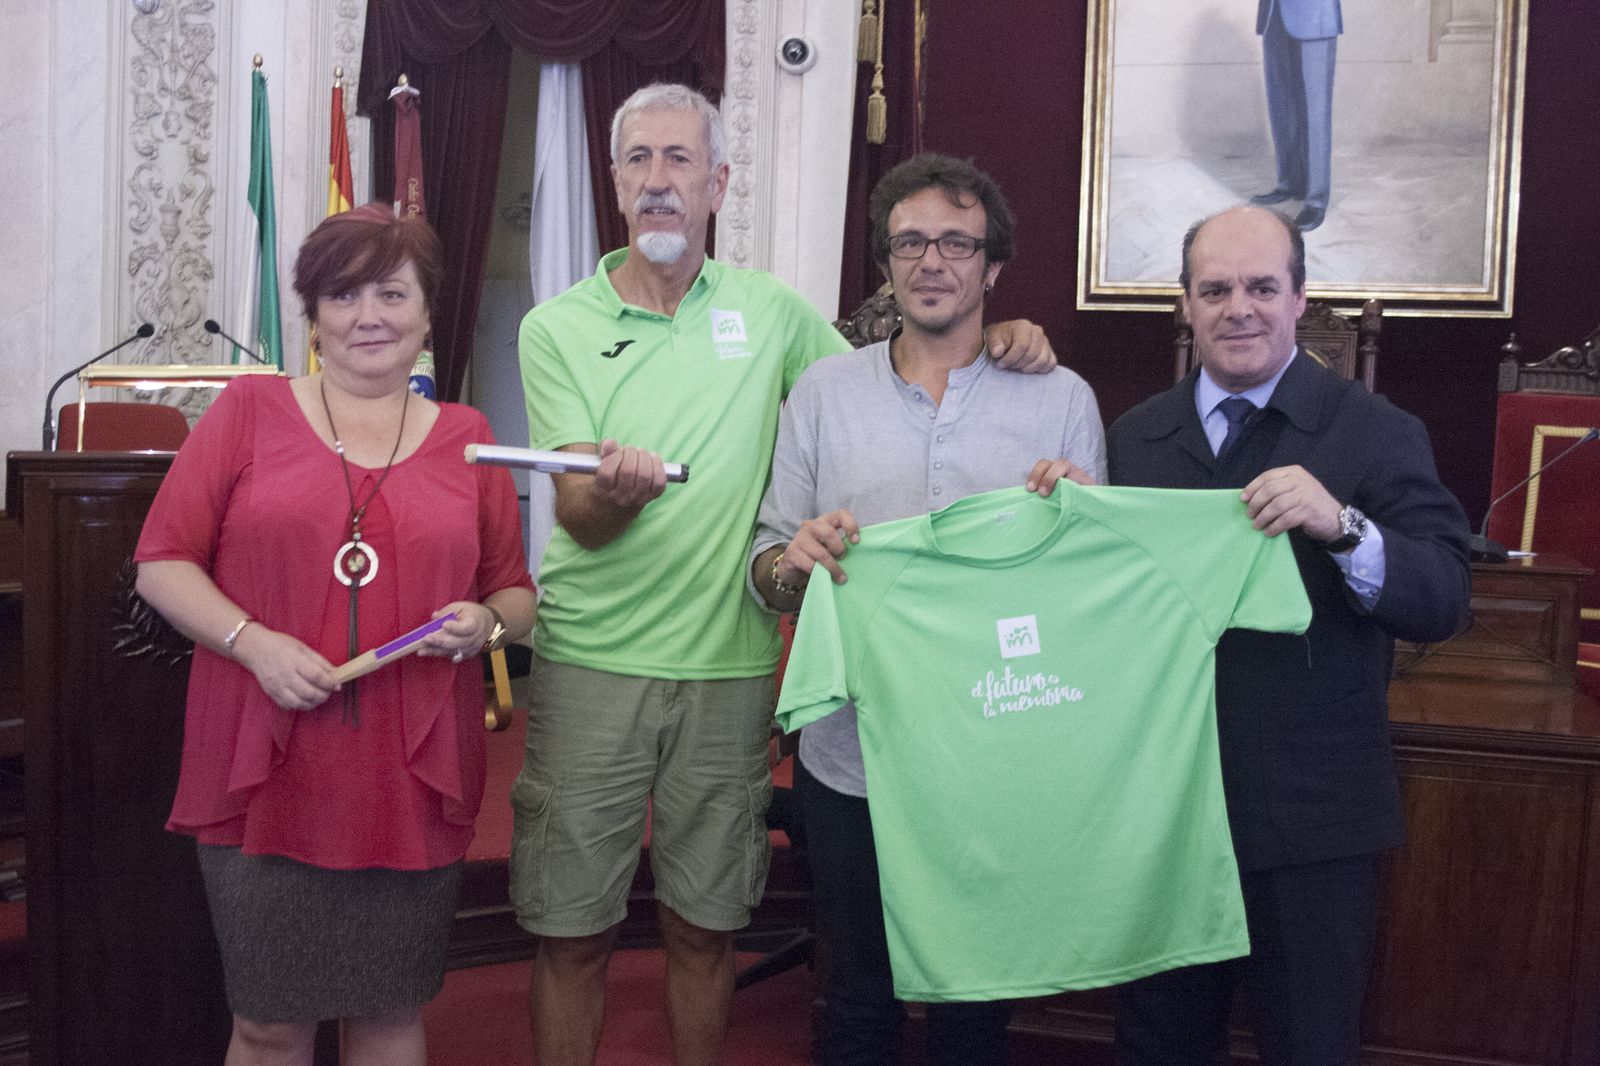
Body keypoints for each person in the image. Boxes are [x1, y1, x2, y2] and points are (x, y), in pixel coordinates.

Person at [513, 84, 1057, 1066]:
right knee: (571, 932)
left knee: (706, 927)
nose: (658, 181)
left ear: (718, 183)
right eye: (638, 159)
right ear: (615, 180)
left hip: (732, 669)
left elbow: (884, 383)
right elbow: (582, 520)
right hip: (591, 665)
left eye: (680, 159)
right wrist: (618, 492)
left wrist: (1001, 341)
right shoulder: (553, 326)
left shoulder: (770, 314)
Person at [135, 203, 537, 1066]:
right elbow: (161, 564)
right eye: (344, 295)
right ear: (313, 315)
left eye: (393, 293)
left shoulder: (470, 439)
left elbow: (515, 594)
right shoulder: (248, 410)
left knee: (388, 1014)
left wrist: (485, 626)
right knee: (268, 1025)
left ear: (427, 313)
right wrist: (254, 642)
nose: (369, 316)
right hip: (265, 764)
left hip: (408, 775)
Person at [747, 153, 1105, 1066]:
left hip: (1000, 755)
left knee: (975, 1006)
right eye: (910, 243)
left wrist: (1082, 521)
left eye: (956, 243)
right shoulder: (823, 394)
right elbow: (766, 568)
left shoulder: (1061, 400)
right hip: (851, 756)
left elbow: (1092, 593)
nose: (931, 261)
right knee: (855, 999)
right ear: (886, 263)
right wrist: (792, 562)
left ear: (993, 267)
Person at [1108, 205, 1470, 1064]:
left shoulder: (1375, 430)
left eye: (1262, 287)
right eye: (1215, 290)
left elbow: (1443, 598)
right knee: (1159, 1044)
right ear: (1185, 305)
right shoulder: (1134, 438)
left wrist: (1344, 526)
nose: (1239, 308)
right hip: (1166, 815)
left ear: (1300, 298)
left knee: (1310, 1045)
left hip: (1314, 823)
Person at [1250, 0, 1342, 231]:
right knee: (1281, 108)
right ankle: (1289, 183)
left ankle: (1316, 200)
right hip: (1273, 15)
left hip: (1315, 17)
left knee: (1316, 114)